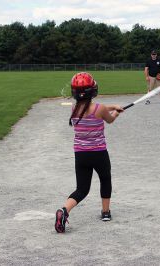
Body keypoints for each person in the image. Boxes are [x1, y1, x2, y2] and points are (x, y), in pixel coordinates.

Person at [55, 72, 123, 233]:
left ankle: (64, 210)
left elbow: (95, 108)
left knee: (82, 189)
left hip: (81, 154)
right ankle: (105, 213)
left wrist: (113, 106)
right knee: (105, 179)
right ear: (93, 90)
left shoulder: (73, 108)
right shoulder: (98, 108)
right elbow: (110, 119)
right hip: (99, 153)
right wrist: (116, 112)